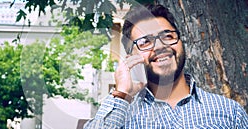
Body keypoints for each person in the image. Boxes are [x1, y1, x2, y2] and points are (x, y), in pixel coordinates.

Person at [84, 4, 248, 128]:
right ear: (131, 57)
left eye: (167, 36)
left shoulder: (230, 112)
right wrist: (121, 94)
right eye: (145, 42)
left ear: (181, 43)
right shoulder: (120, 115)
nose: (160, 46)